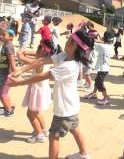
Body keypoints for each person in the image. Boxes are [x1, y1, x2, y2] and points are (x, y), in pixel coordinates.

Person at [9, 30, 92, 159]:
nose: (66, 41)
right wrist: (22, 70)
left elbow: (44, 75)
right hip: (72, 105)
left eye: (69, 39)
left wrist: (20, 82)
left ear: (75, 45)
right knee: (75, 128)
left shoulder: (69, 66)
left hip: (64, 109)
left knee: (54, 136)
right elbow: (42, 60)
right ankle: (84, 154)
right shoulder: (64, 56)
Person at [17, 40, 57, 143]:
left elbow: (22, 58)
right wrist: (26, 51)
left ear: (42, 51)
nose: (36, 51)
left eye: (38, 48)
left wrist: (20, 53)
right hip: (41, 90)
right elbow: (33, 53)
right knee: (37, 112)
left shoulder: (39, 63)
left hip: (37, 92)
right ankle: (44, 130)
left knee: (30, 114)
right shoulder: (46, 59)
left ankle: (39, 135)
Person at [85, 31, 114, 105]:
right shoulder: (110, 46)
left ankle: (106, 98)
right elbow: (102, 41)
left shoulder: (102, 46)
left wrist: (91, 37)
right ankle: (94, 93)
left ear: (105, 39)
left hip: (103, 68)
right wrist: (99, 37)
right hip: (103, 68)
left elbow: (91, 43)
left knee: (99, 83)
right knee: (97, 80)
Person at [0, 28, 16, 117]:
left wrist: (14, 74)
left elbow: (12, 62)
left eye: (3, 35)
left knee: (2, 94)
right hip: (2, 73)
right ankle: (9, 107)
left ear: (10, 37)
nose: (1, 36)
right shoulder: (5, 44)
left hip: (6, 74)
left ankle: (9, 111)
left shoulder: (8, 46)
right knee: (3, 93)